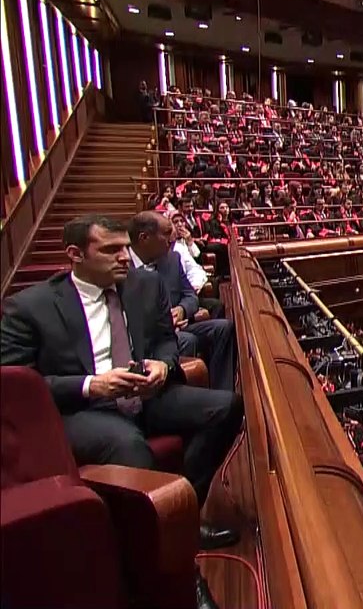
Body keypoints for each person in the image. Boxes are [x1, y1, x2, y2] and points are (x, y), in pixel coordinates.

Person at [0, 214, 244, 609]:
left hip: (146, 393)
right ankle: (179, 573)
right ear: (76, 255)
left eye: (125, 248)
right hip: (85, 408)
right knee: (131, 448)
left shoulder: (145, 285)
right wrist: (90, 384)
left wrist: (164, 367)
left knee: (227, 406)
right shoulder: (31, 306)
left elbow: (166, 341)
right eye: (111, 250)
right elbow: (14, 384)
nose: (124, 258)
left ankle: (182, 518)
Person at [127, 211, 237, 391]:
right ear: (144, 237)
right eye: (165, 233)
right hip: (154, 335)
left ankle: (220, 391)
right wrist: (164, 323)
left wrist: (182, 310)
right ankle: (180, 394)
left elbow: (191, 296)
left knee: (223, 328)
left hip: (181, 323)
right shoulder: (123, 268)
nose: (171, 238)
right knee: (187, 340)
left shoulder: (171, 259)